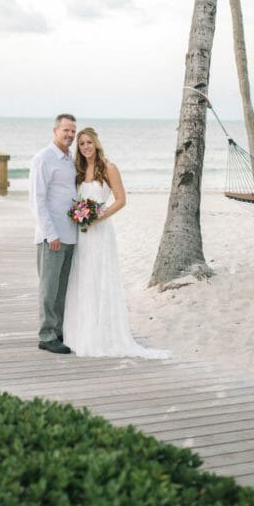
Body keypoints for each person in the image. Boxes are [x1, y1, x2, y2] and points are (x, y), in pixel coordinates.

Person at [63, 127, 171, 359]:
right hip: (81, 232)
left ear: (96, 144)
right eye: (81, 144)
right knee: (82, 278)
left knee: (100, 278)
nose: (85, 147)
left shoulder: (109, 168)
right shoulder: (78, 170)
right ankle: (81, 333)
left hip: (100, 231)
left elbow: (121, 200)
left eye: (89, 142)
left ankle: (104, 334)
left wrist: (96, 217)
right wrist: (79, 216)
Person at [29, 113, 78, 354]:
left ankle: (58, 331)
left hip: (71, 234)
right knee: (49, 288)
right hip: (53, 237)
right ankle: (46, 335)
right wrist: (51, 234)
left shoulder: (70, 159)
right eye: (66, 130)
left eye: (73, 132)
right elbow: (37, 200)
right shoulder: (43, 158)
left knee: (61, 288)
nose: (70, 135)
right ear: (55, 131)